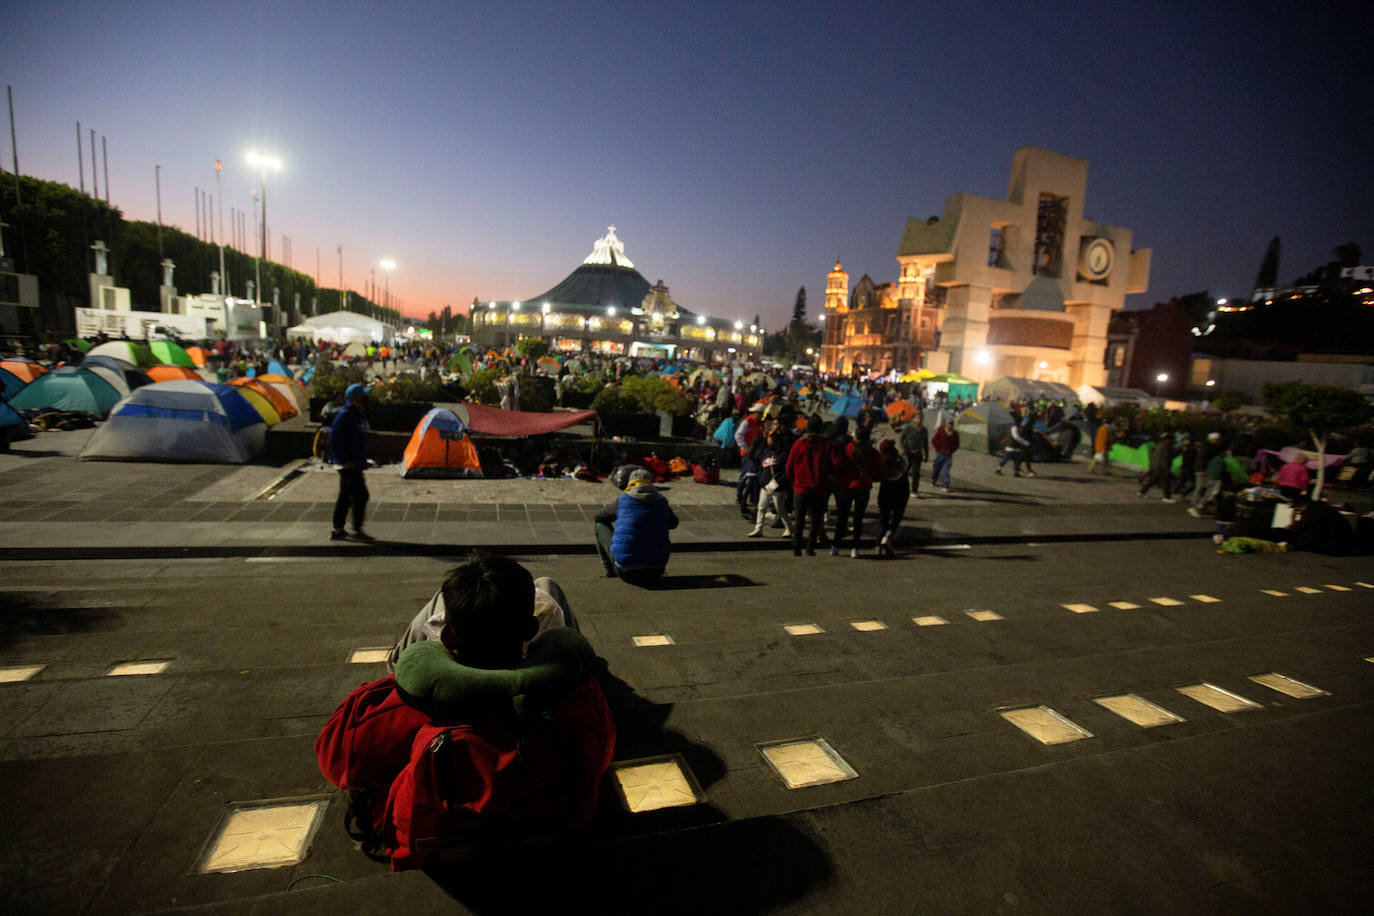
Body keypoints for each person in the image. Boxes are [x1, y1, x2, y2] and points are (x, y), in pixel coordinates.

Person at [315, 553, 615, 870]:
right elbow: (603, 752)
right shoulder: (578, 697)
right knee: (548, 587)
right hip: (551, 835)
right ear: (531, 629)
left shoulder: (404, 707)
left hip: (443, 847)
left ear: (446, 635)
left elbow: (337, 763)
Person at [594, 468, 680, 584]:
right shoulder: (662, 502)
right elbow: (674, 523)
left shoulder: (623, 500)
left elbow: (600, 517)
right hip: (657, 570)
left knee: (600, 525)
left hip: (627, 572)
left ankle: (609, 571)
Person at [329, 383, 374, 541]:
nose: (365, 397)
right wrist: (343, 460)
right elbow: (335, 439)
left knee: (347, 496)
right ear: (355, 397)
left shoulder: (358, 414)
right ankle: (353, 528)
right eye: (362, 395)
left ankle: (339, 528)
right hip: (347, 464)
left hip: (355, 462)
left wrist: (363, 459)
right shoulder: (346, 414)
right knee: (360, 495)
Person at [833, 427, 884, 557]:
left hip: (847, 486)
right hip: (863, 487)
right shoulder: (872, 452)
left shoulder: (848, 448)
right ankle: (855, 548)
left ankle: (835, 546)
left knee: (842, 518)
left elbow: (837, 464)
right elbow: (880, 471)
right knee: (858, 519)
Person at [786, 414, 831, 556]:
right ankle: (810, 548)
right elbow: (831, 465)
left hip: (800, 487)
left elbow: (789, 467)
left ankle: (796, 548)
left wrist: (794, 483)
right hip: (818, 488)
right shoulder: (825, 444)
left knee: (799, 520)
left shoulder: (799, 444)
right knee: (815, 520)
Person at [748, 429, 793, 538]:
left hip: (777, 486)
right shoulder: (766, 451)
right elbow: (760, 465)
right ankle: (758, 529)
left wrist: (777, 483)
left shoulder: (784, 455)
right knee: (761, 507)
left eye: (771, 439)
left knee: (780, 508)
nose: (769, 441)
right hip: (765, 484)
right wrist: (761, 480)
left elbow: (786, 472)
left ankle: (789, 527)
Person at [875, 438, 909, 556]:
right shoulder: (900, 460)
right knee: (896, 518)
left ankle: (878, 545)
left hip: (885, 493)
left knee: (883, 521)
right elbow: (907, 462)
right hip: (901, 492)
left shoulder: (881, 461)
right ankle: (889, 537)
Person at [1138, 428, 1176, 502]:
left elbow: (1153, 456)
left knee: (1152, 480)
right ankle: (1167, 497)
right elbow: (1166, 458)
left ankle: (1142, 492)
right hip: (1162, 467)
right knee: (1166, 482)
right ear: (1169, 439)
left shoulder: (1159, 445)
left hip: (1156, 466)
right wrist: (1166, 469)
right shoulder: (1167, 447)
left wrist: (1151, 466)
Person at [900, 414, 928, 497]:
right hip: (908, 452)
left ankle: (914, 490)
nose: (919, 420)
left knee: (916, 473)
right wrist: (902, 448)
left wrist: (926, 454)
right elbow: (902, 438)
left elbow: (925, 443)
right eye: (918, 418)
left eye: (921, 418)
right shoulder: (909, 428)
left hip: (918, 454)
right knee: (904, 472)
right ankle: (901, 488)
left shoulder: (924, 430)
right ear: (914, 419)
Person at [930, 418, 960, 491]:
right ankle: (933, 480)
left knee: (945, 470)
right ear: (946, 424)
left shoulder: (955, 434)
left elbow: (957, 444)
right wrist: (938, 448)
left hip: (948, 455)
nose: (950, 425)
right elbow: (933, 440)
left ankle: (946, 485)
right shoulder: (941, 431)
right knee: (936, 468)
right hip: (940, 454)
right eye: (949, 423)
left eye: (951, 424)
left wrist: (952, 450)